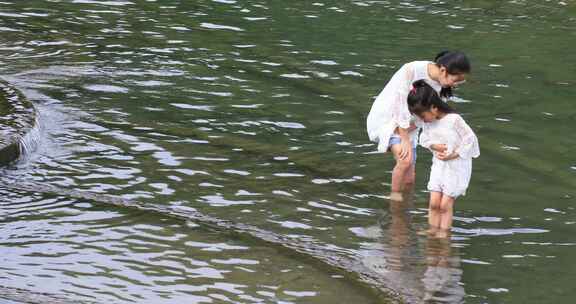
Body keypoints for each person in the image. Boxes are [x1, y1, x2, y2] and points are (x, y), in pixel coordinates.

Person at [366, 51, 471, 201]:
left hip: (410, 126)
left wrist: (441, 144)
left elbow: (432, 117)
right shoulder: (412, 70)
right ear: (443, 70)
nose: (455, 85)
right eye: (455, 80)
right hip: (388, 120)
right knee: (405, 160)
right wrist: (404, 138)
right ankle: (395, 202)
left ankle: (406, 208)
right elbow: (399, 104)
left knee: (410, 178)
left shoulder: (441, 89)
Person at [407, 80, 479, 236]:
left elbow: (470, 139)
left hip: (457, 165)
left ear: (434, 107)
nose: (422, 119)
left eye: (422, 115)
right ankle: (433, 230)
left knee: (445, 204)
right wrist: (435, 146)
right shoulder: (428, 122)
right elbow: (424, 139)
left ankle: (443, 234)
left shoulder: (454, 120)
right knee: (434, 203)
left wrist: (454, 154)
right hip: (439, 164)